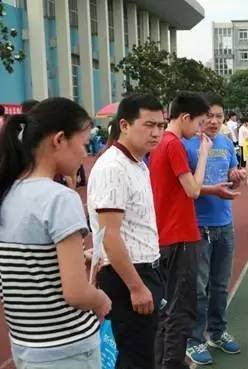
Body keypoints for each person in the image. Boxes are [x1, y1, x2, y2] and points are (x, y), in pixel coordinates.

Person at [0, 98, 111, 368]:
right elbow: (75, 292)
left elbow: (24, 264)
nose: (85, 153)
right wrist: (101, 300)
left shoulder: (7, 192)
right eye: (83, 144)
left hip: (26, 341)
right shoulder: (60, 198)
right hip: (67, 346)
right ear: (59, 139)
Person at [88, 94, 166, 369]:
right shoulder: (113, 167)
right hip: (129, 275)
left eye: (161, 125)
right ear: (124, 125)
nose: (156, 132)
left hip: (146, 268)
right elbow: (111, 234)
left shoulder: (137, 162)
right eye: (149, 125)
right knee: (135, 358)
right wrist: (136, 287)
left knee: (142, 351)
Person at [148, 92, 212, 369]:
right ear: (185, 118)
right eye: (199, 123)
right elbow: (193, 189)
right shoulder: (174, 145)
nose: (200, 130)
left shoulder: (161, 143)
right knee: (181, 308)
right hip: (180, 236)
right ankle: (171, 362)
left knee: (168, 308)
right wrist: (204, 155)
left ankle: (165, 360)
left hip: (167, 234)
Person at [185, 93, 245, 366]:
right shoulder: (187, 145)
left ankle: (217, 332)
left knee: (220, 285)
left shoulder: (226, 143)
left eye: (219, 116)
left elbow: (232, 183)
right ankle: (193, 340)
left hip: (225, 224)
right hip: (198, 226)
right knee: (198, 288)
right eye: (208, 115)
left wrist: (236, 178)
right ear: (199, 116)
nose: (213, 121)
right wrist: (215, 190)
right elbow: (187, 190)